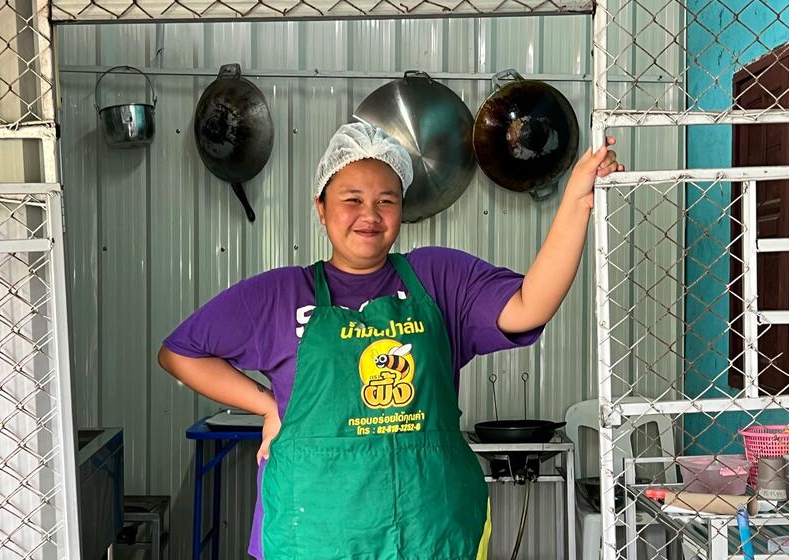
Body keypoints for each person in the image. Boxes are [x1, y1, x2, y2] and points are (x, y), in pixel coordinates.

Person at [159, 121, 622, 559]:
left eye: (386, 201)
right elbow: (181, 352)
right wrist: (266, 405)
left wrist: (575, 203)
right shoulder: (279, 295)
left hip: (431, 529)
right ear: (320, 207)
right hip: (316, 533)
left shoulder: (437, 277)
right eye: (351, 199)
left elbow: (530, 304)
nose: (370, 215)